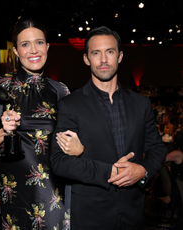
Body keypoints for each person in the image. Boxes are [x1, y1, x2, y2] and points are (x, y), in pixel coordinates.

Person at [50, 26, 167, 230]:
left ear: (120, 56)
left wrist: (143, 170)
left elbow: (157, 149)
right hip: (90, 216)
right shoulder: (70, 105)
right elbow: (59, 162)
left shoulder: (141, 104)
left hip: (134, 213)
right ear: (86, 59)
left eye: (110, 52)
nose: (103, 59)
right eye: (96, 53)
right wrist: (110, 171)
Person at [0, 19, 77, 230]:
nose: (33, 50)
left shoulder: (61, 91)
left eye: (39, 42)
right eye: (25, 44)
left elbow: (70, 144)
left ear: (48, 47)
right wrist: (2, 133)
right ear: (15, 51)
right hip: (10, 198)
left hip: (53, 195)